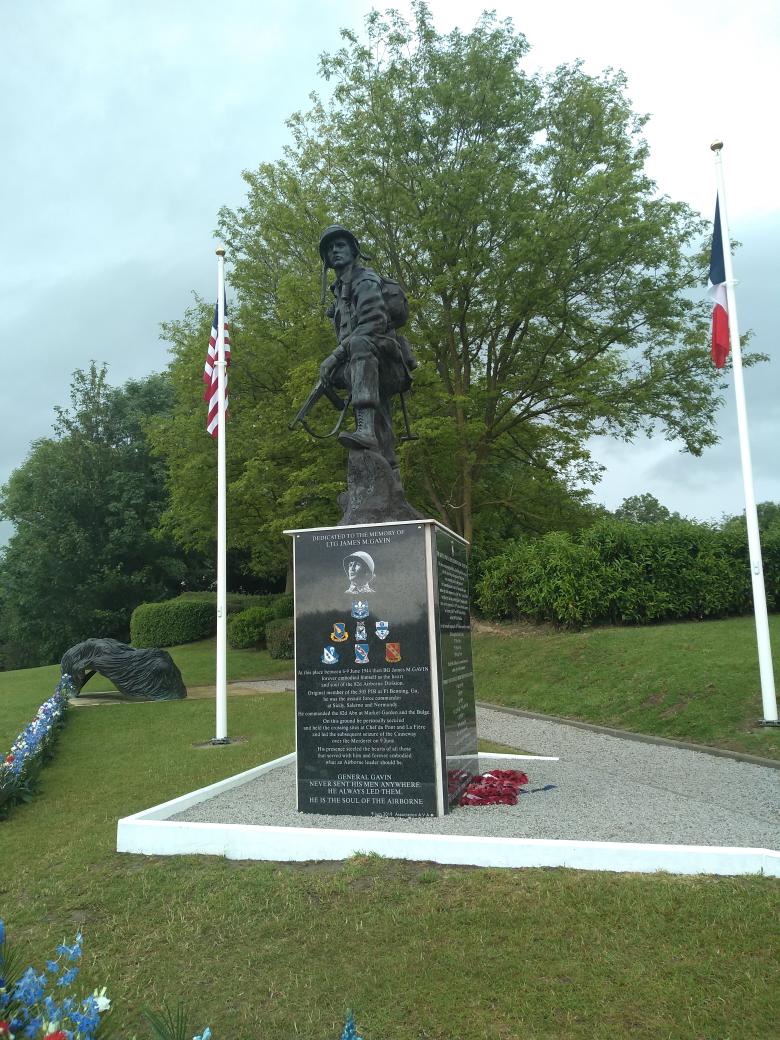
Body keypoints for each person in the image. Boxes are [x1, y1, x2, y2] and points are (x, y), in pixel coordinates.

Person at [318, 225, 411, 466]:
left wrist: (334, 356)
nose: (334, 251)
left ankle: (365, 430)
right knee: (382, 422)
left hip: (384, 361)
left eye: (340, 246)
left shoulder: (365, 280)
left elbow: (374, 322)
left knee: (359, 343)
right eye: (329, 249)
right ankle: (388, 469)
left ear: (353, 250)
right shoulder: (339, 292)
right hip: (362, 365)